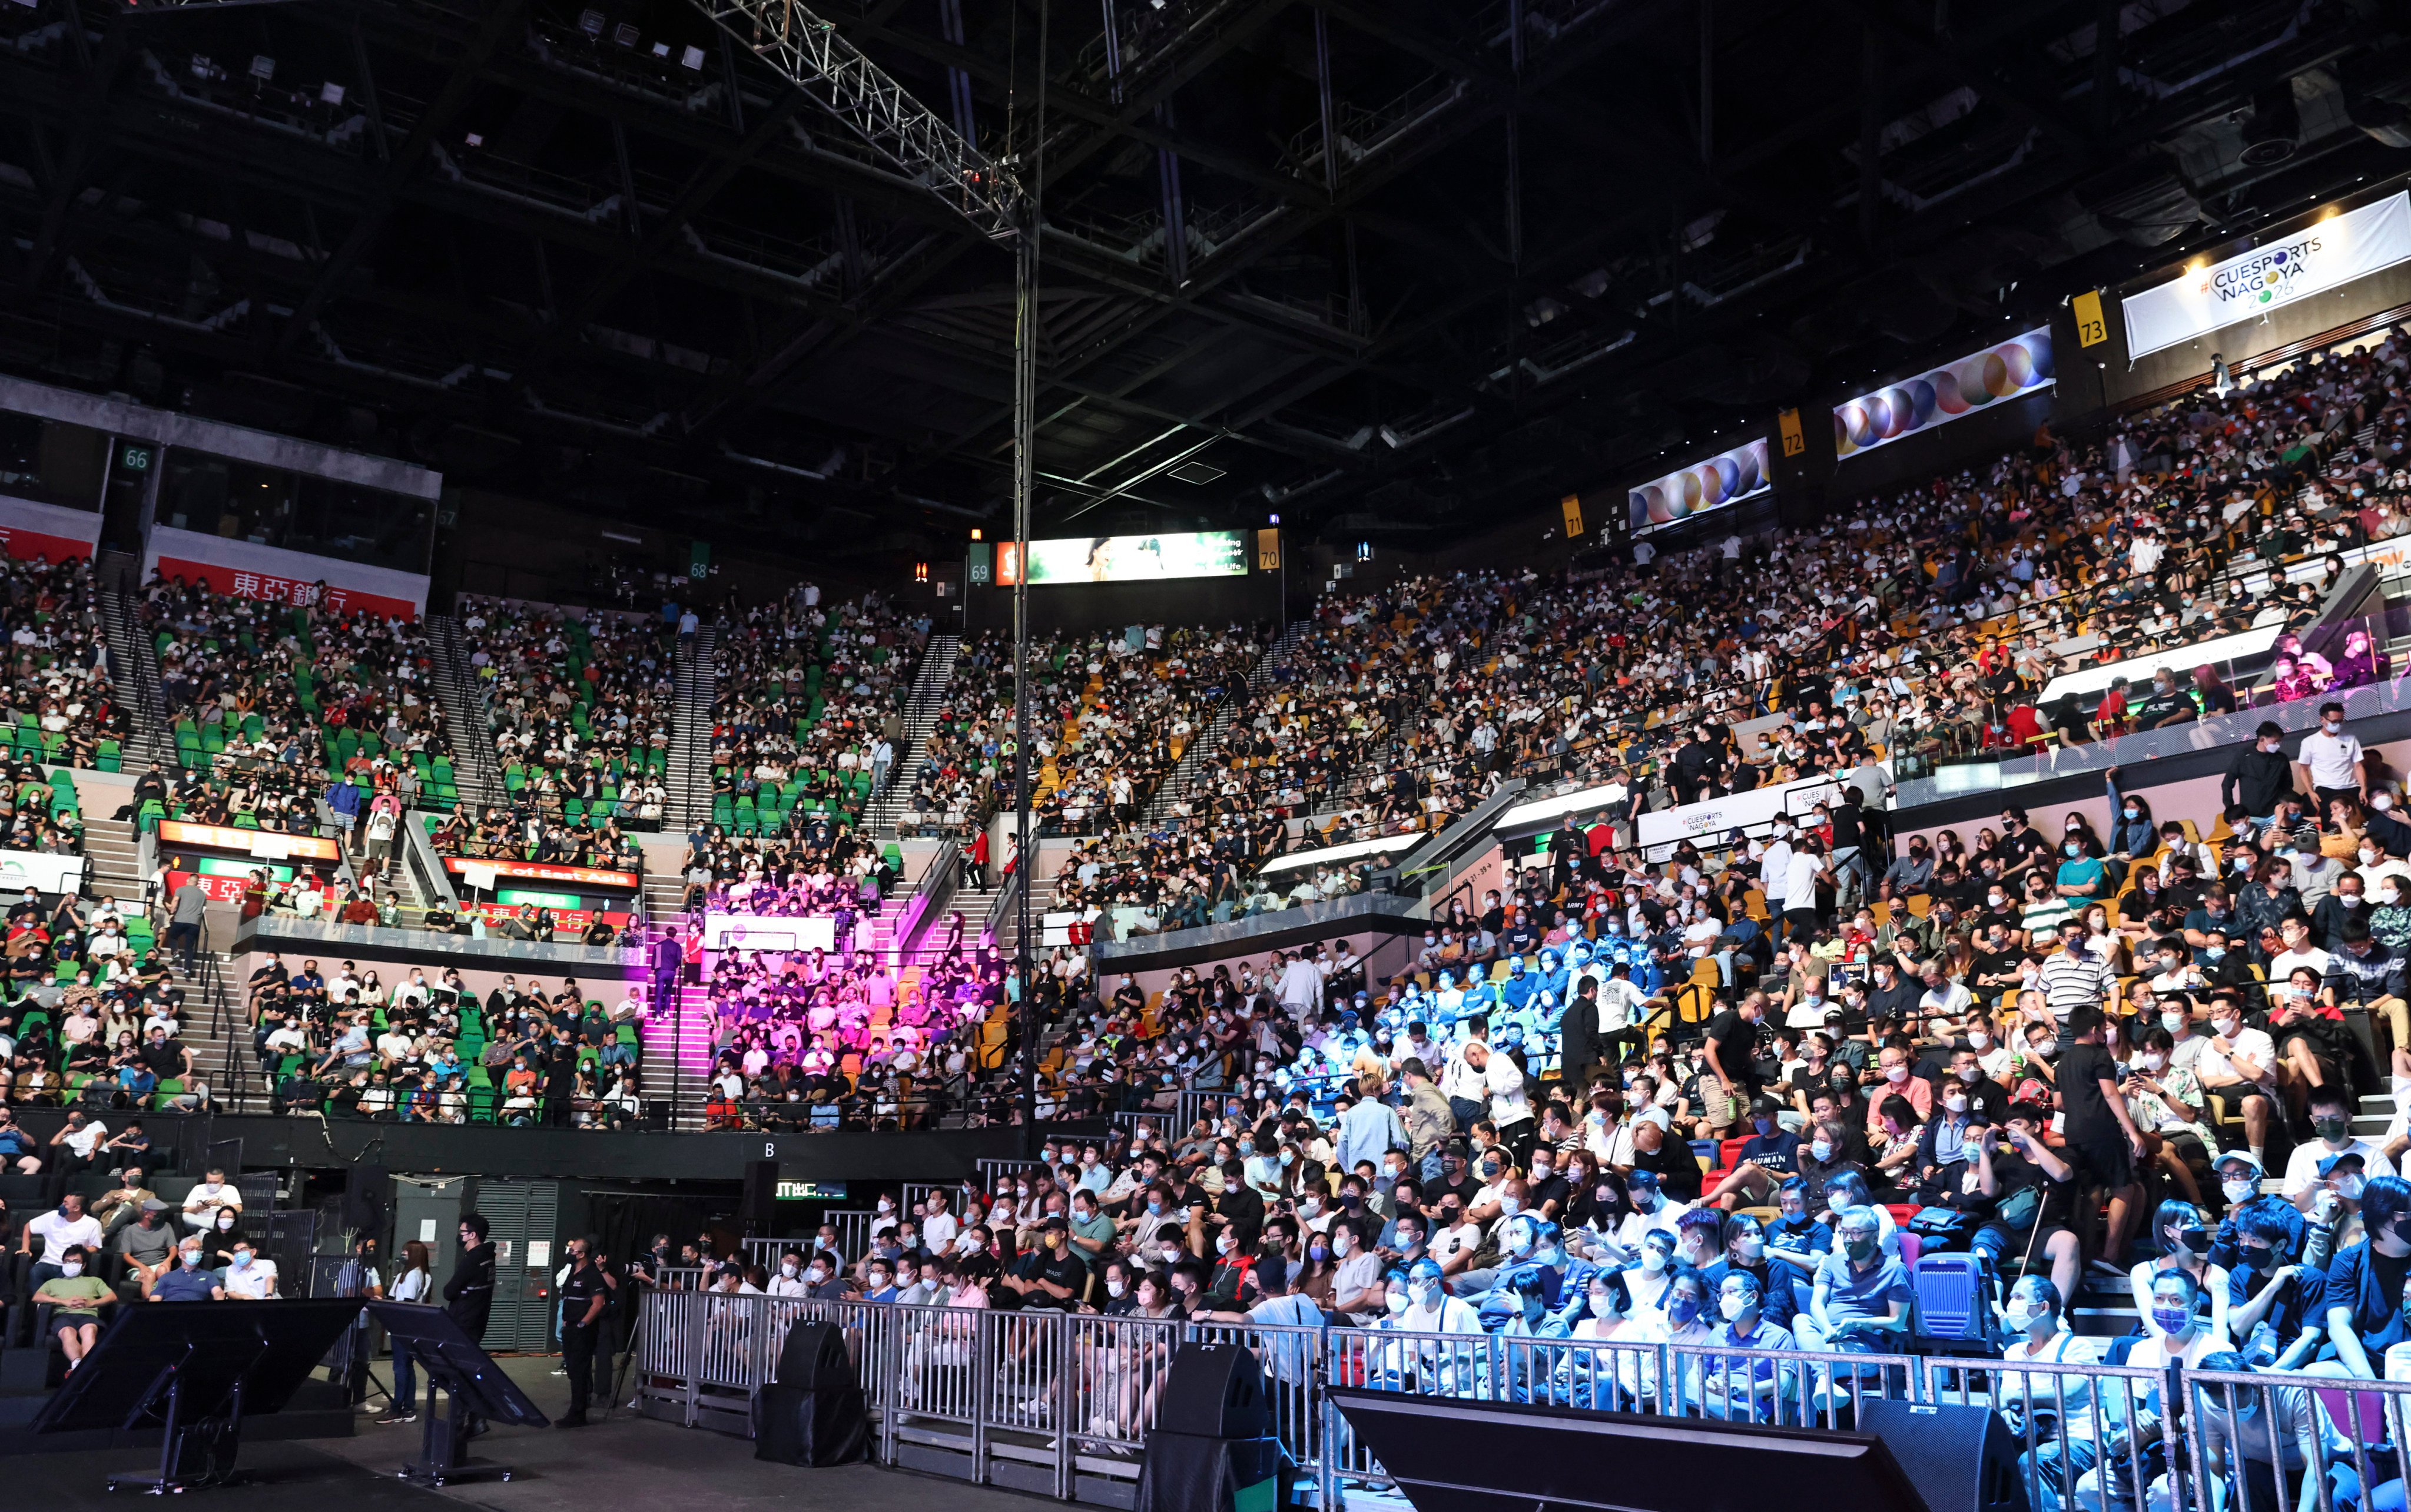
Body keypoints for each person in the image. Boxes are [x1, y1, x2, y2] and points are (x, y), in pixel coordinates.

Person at [556, 1234, 609, 1427]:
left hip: (582, 1331)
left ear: (582, 1254)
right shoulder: (572, 1273)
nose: (570, 1253)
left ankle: (577, 1413)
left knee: (579, 1371)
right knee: (573, 1370)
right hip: (569, 1328)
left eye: (573, 1251)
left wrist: (583, 1324)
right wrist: (566, 1322)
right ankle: (577, 1408)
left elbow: (598, 1303)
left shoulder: (592, 1275)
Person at [32, 1245, 112, 1370]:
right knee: (67, 1332)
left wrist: (92, 1304)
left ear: (84, 1265)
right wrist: (64, 1302)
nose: (70, 1264)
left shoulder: (94, 1281)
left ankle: (85, 1368)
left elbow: (112, 1297)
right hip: (63, 1316)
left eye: (75, 1262)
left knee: (89, 1331)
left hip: (88, 1315)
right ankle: (77, 1365)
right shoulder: (53, 1282)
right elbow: (37, 1297)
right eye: (67, 1262)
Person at [382, 1239, 436, 1425]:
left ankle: (398, 1407)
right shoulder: (411, 1275)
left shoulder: (414, 1275)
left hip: (403, 1328)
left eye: (406, 1252)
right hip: (406, 1328)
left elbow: (408, 1302)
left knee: (400, 1368)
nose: (403, 1255)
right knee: (406, 1367)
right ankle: (408, 1407)